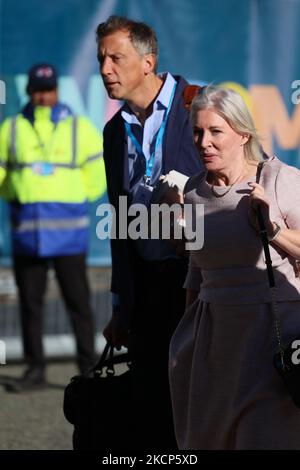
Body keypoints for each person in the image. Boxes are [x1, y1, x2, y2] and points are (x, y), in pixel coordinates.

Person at [169, 85, 300, 449]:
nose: (203, 142)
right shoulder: (193, 193)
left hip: (275, 338)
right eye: (197, 131)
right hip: (215, 343)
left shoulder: (278, 180)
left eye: (215, 132)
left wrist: (270, 228)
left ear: (242, 134)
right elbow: (196, 272)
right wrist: (187, 341)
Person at [96, 16, 202, 448]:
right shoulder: (114, 131)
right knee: (151, 408)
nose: (105, 69)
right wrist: (121, 304)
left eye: (116, 58)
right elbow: (119, 221)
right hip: (146, 287)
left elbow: (249, 174)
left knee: (199, 401)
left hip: (199, 282)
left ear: (148, 61)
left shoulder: (199, 104)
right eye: (102, 58)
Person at [0, 63, 106, 391]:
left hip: (68, 234)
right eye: (38, 89)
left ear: (56, 91)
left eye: (49, 89)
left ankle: (89, 370)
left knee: (79, 304)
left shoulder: (79, 127)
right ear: (29, 92)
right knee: (31, 305)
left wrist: (78, 198)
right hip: (27, 233)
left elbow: (97, 172)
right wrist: (15, 193)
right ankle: (35, 371)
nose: (44, 95)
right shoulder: (12, 127)